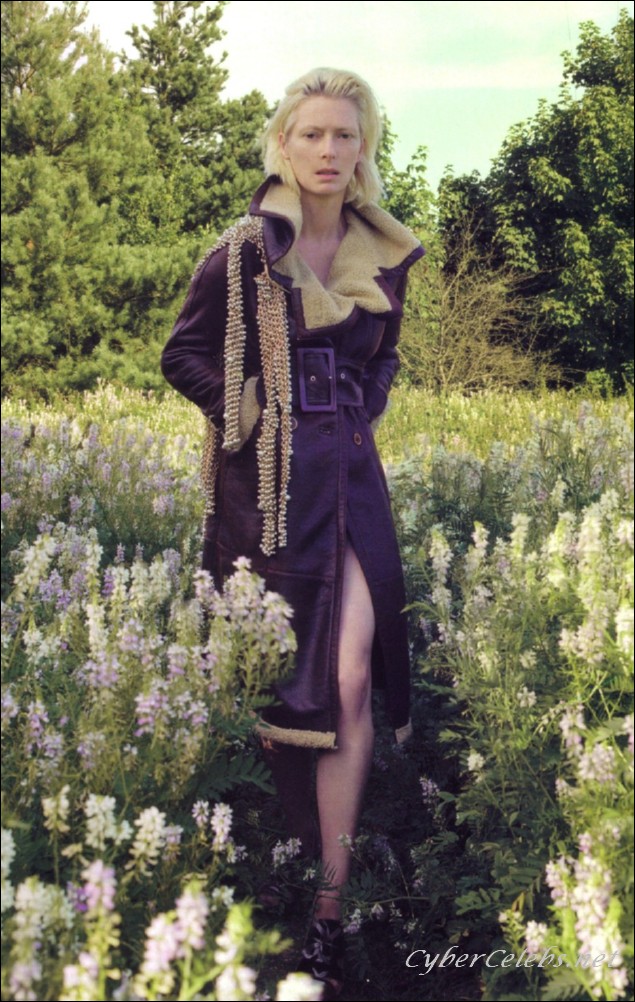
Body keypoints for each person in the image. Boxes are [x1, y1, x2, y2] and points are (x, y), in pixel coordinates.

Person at [161, 67, 424, 998]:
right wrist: (244, 411)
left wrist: (357, 408)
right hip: (267, 493)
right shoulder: (243, 250)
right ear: (283, 143)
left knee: (349, 678)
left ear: (363, 149)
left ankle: (327, 908)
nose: (327, 150)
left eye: (344, 135)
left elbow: (386, 358)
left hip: (350, 480)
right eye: (310, 133)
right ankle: (284, 853)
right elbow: (182, 353)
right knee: (285, 689)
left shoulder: (382, 250)